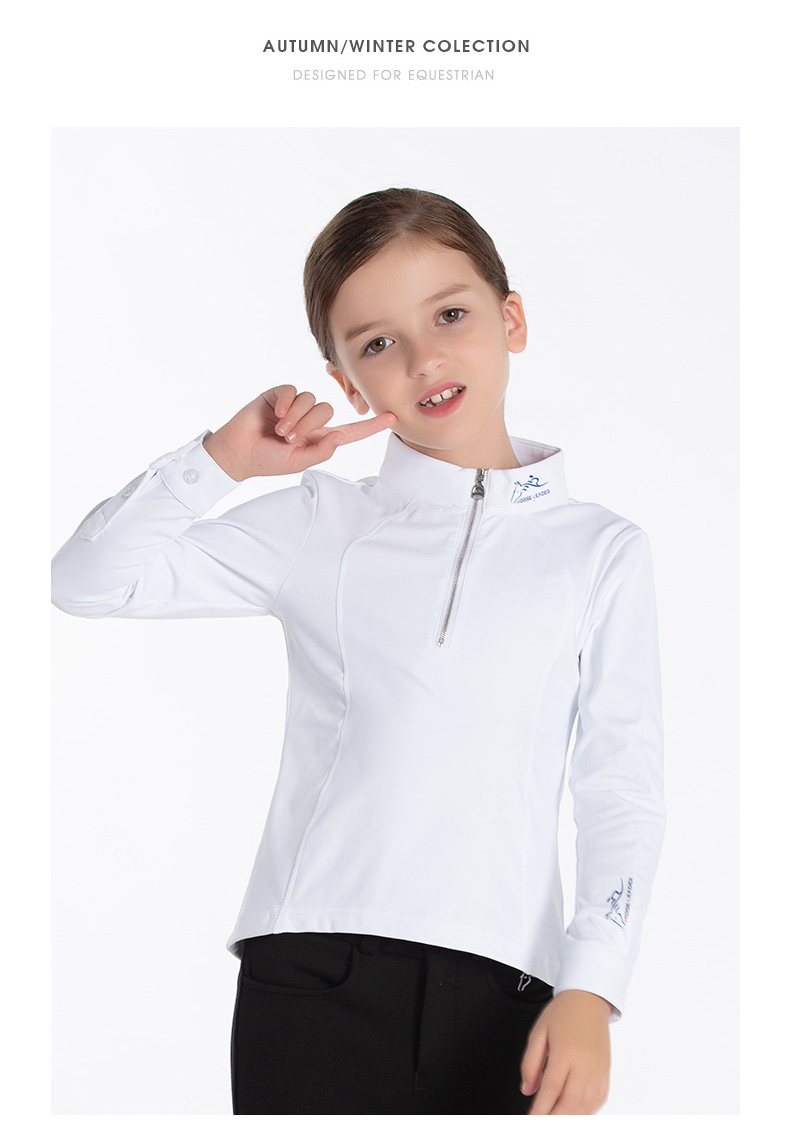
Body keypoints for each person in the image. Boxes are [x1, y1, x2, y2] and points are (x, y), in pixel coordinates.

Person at [51, 187, 666, 1115]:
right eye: (377, 343)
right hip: (312, 968)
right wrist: (222, 460)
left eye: (450, 315)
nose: (423, 359)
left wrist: (594, 984)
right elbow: (87, 580)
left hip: (511, 989)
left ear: (512, 319)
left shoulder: (601, 551)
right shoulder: (319, 523)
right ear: (345, 383)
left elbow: (621, 784)